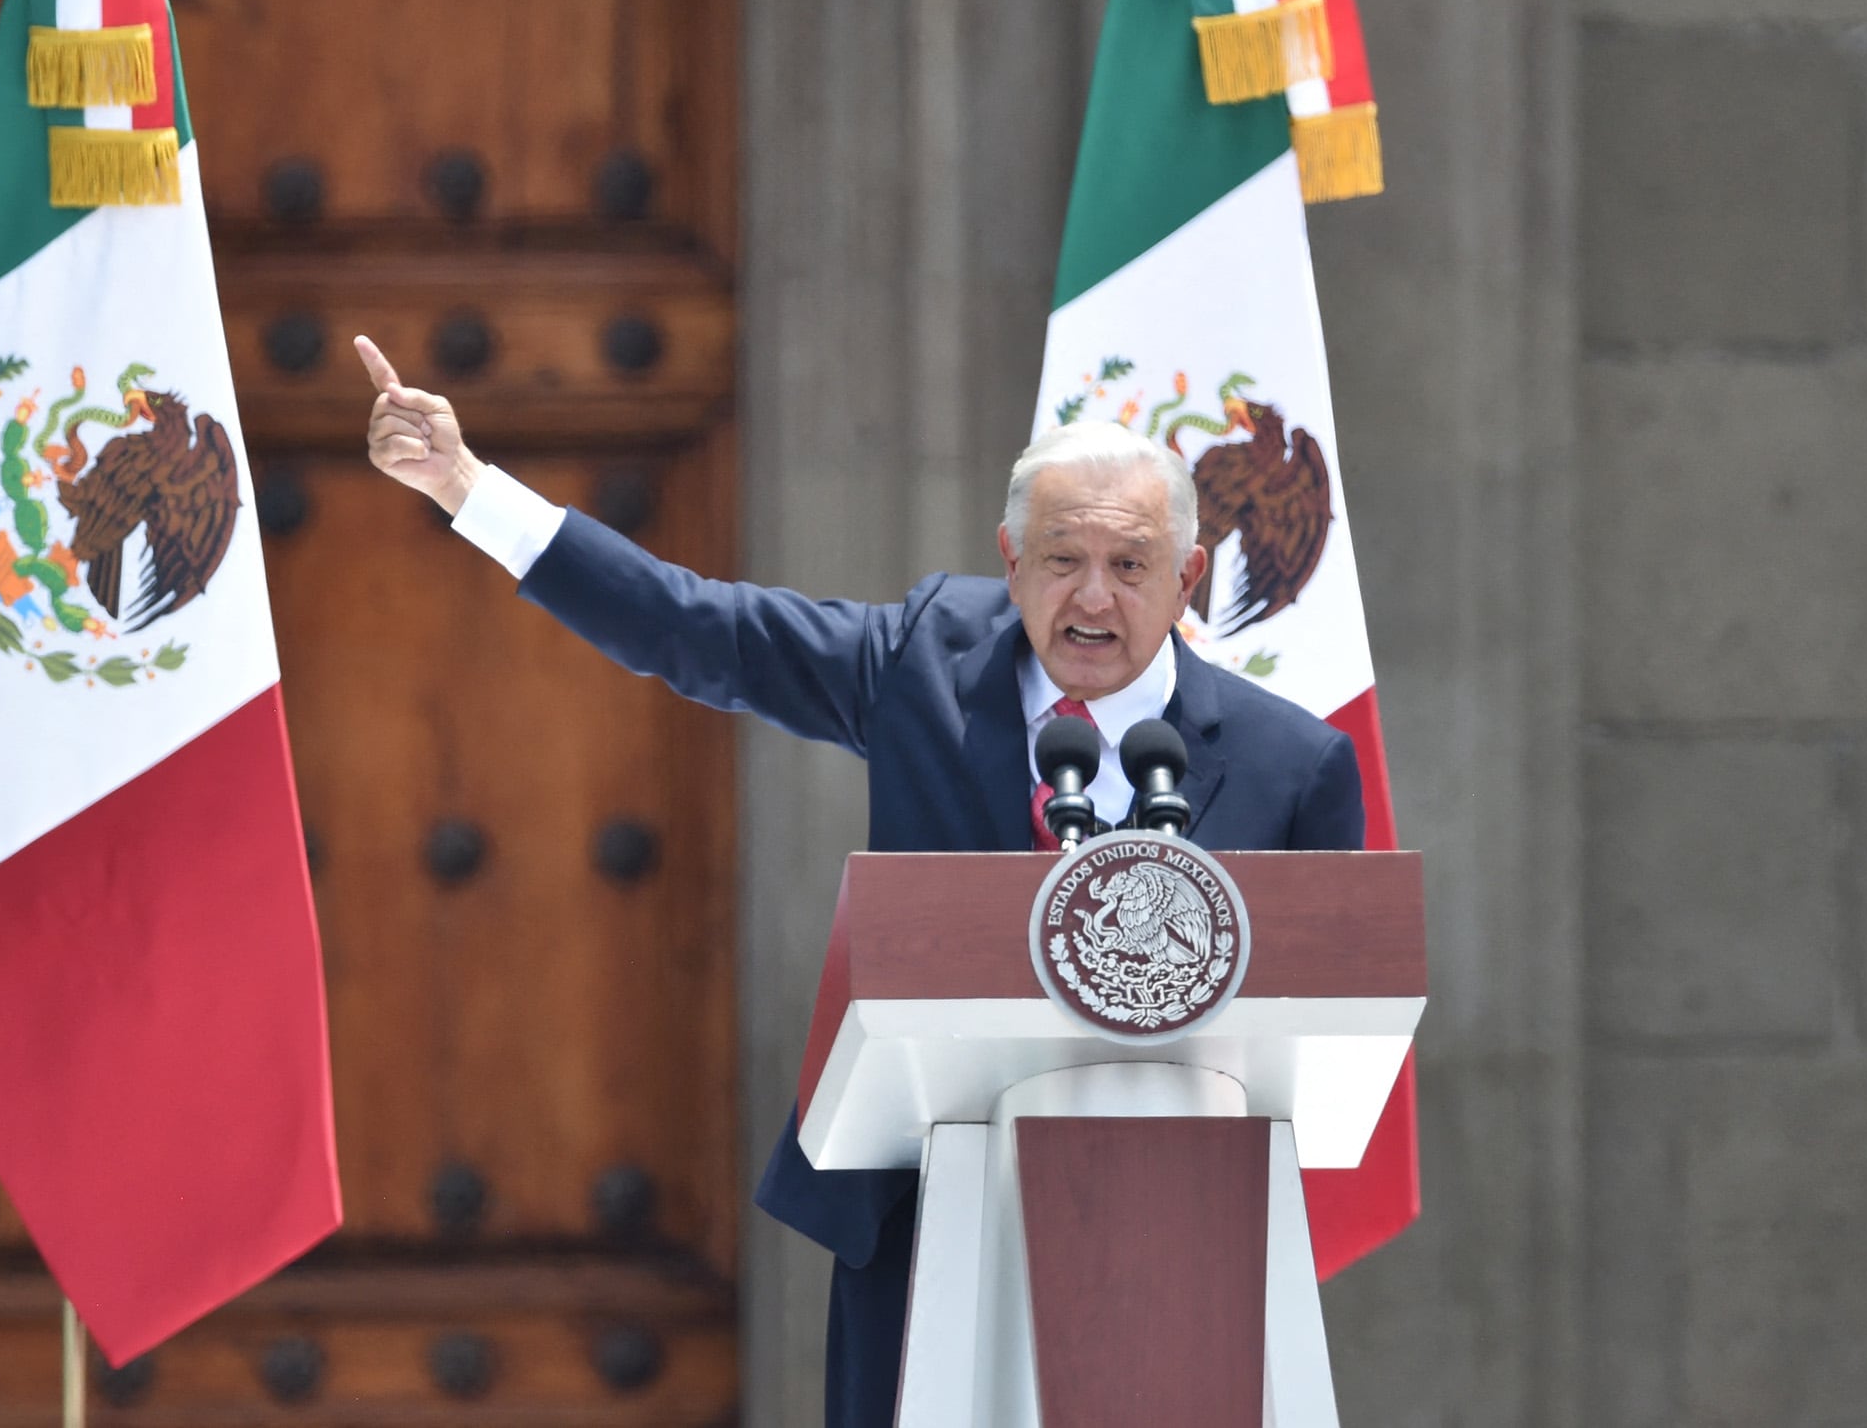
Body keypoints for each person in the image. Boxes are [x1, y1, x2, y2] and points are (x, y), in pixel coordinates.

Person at [353, 335, 1364, 1428]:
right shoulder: (927, 658)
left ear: (1189, 577)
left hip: (1183, 1226)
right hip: (924, 1204)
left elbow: (1330, 1025)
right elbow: (697, 627)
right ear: (1009, 559)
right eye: (1062, 558)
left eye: (1130, 566)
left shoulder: (1289, 764)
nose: (1092, 597)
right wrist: (467, 488)